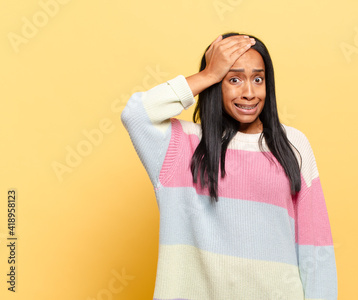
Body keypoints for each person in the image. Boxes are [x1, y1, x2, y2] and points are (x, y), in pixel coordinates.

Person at [121, 32, 338, 300]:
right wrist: (209, 74)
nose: (249, 93)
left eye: (258, 79)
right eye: (233, 79)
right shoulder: (181, 146)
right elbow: (136, 114)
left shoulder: (292, 144)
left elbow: (316, 249)